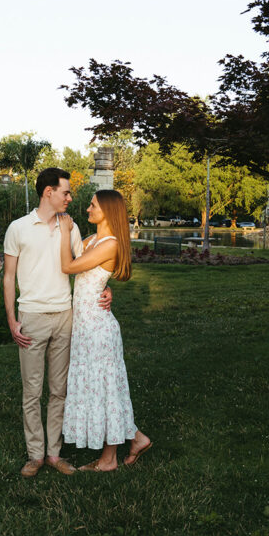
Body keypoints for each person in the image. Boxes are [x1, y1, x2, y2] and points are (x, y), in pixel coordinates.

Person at [3, 168, 112, 478]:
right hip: (32, 317)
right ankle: (34, 455)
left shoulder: (71, 227)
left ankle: (54, 454)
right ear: (47, 192)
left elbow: (86, 267)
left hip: (66, 316)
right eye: (65, 192)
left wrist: (106, 287)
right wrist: (12, 320)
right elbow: (9, 277)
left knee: (59, 390)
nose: (70, 197)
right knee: (32, 391)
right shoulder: (19, 228)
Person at [58, 190, 152, 471]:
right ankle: (137, 438)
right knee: (101, 389)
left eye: (93, 205)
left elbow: (68, 266)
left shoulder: (109, 244)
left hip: (98, 329)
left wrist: (64, 232)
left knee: (106, 389)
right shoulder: (91, 240)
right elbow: (89, 274)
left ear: (108, 212)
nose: (88, 209)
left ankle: (109, 459)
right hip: (85, 328)